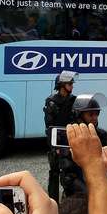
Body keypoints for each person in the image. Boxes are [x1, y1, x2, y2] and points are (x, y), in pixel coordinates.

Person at [44, 70, 77, 200]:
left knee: (70, 173)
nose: (72, 86)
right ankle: (53, 202)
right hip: (56, 141)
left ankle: (69, 200)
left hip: (70, 139)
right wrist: (55, 146)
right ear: (61, 85)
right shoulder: (52, 101)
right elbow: (49, 126)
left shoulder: (74, 100)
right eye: (69, 83)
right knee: (54, 173)